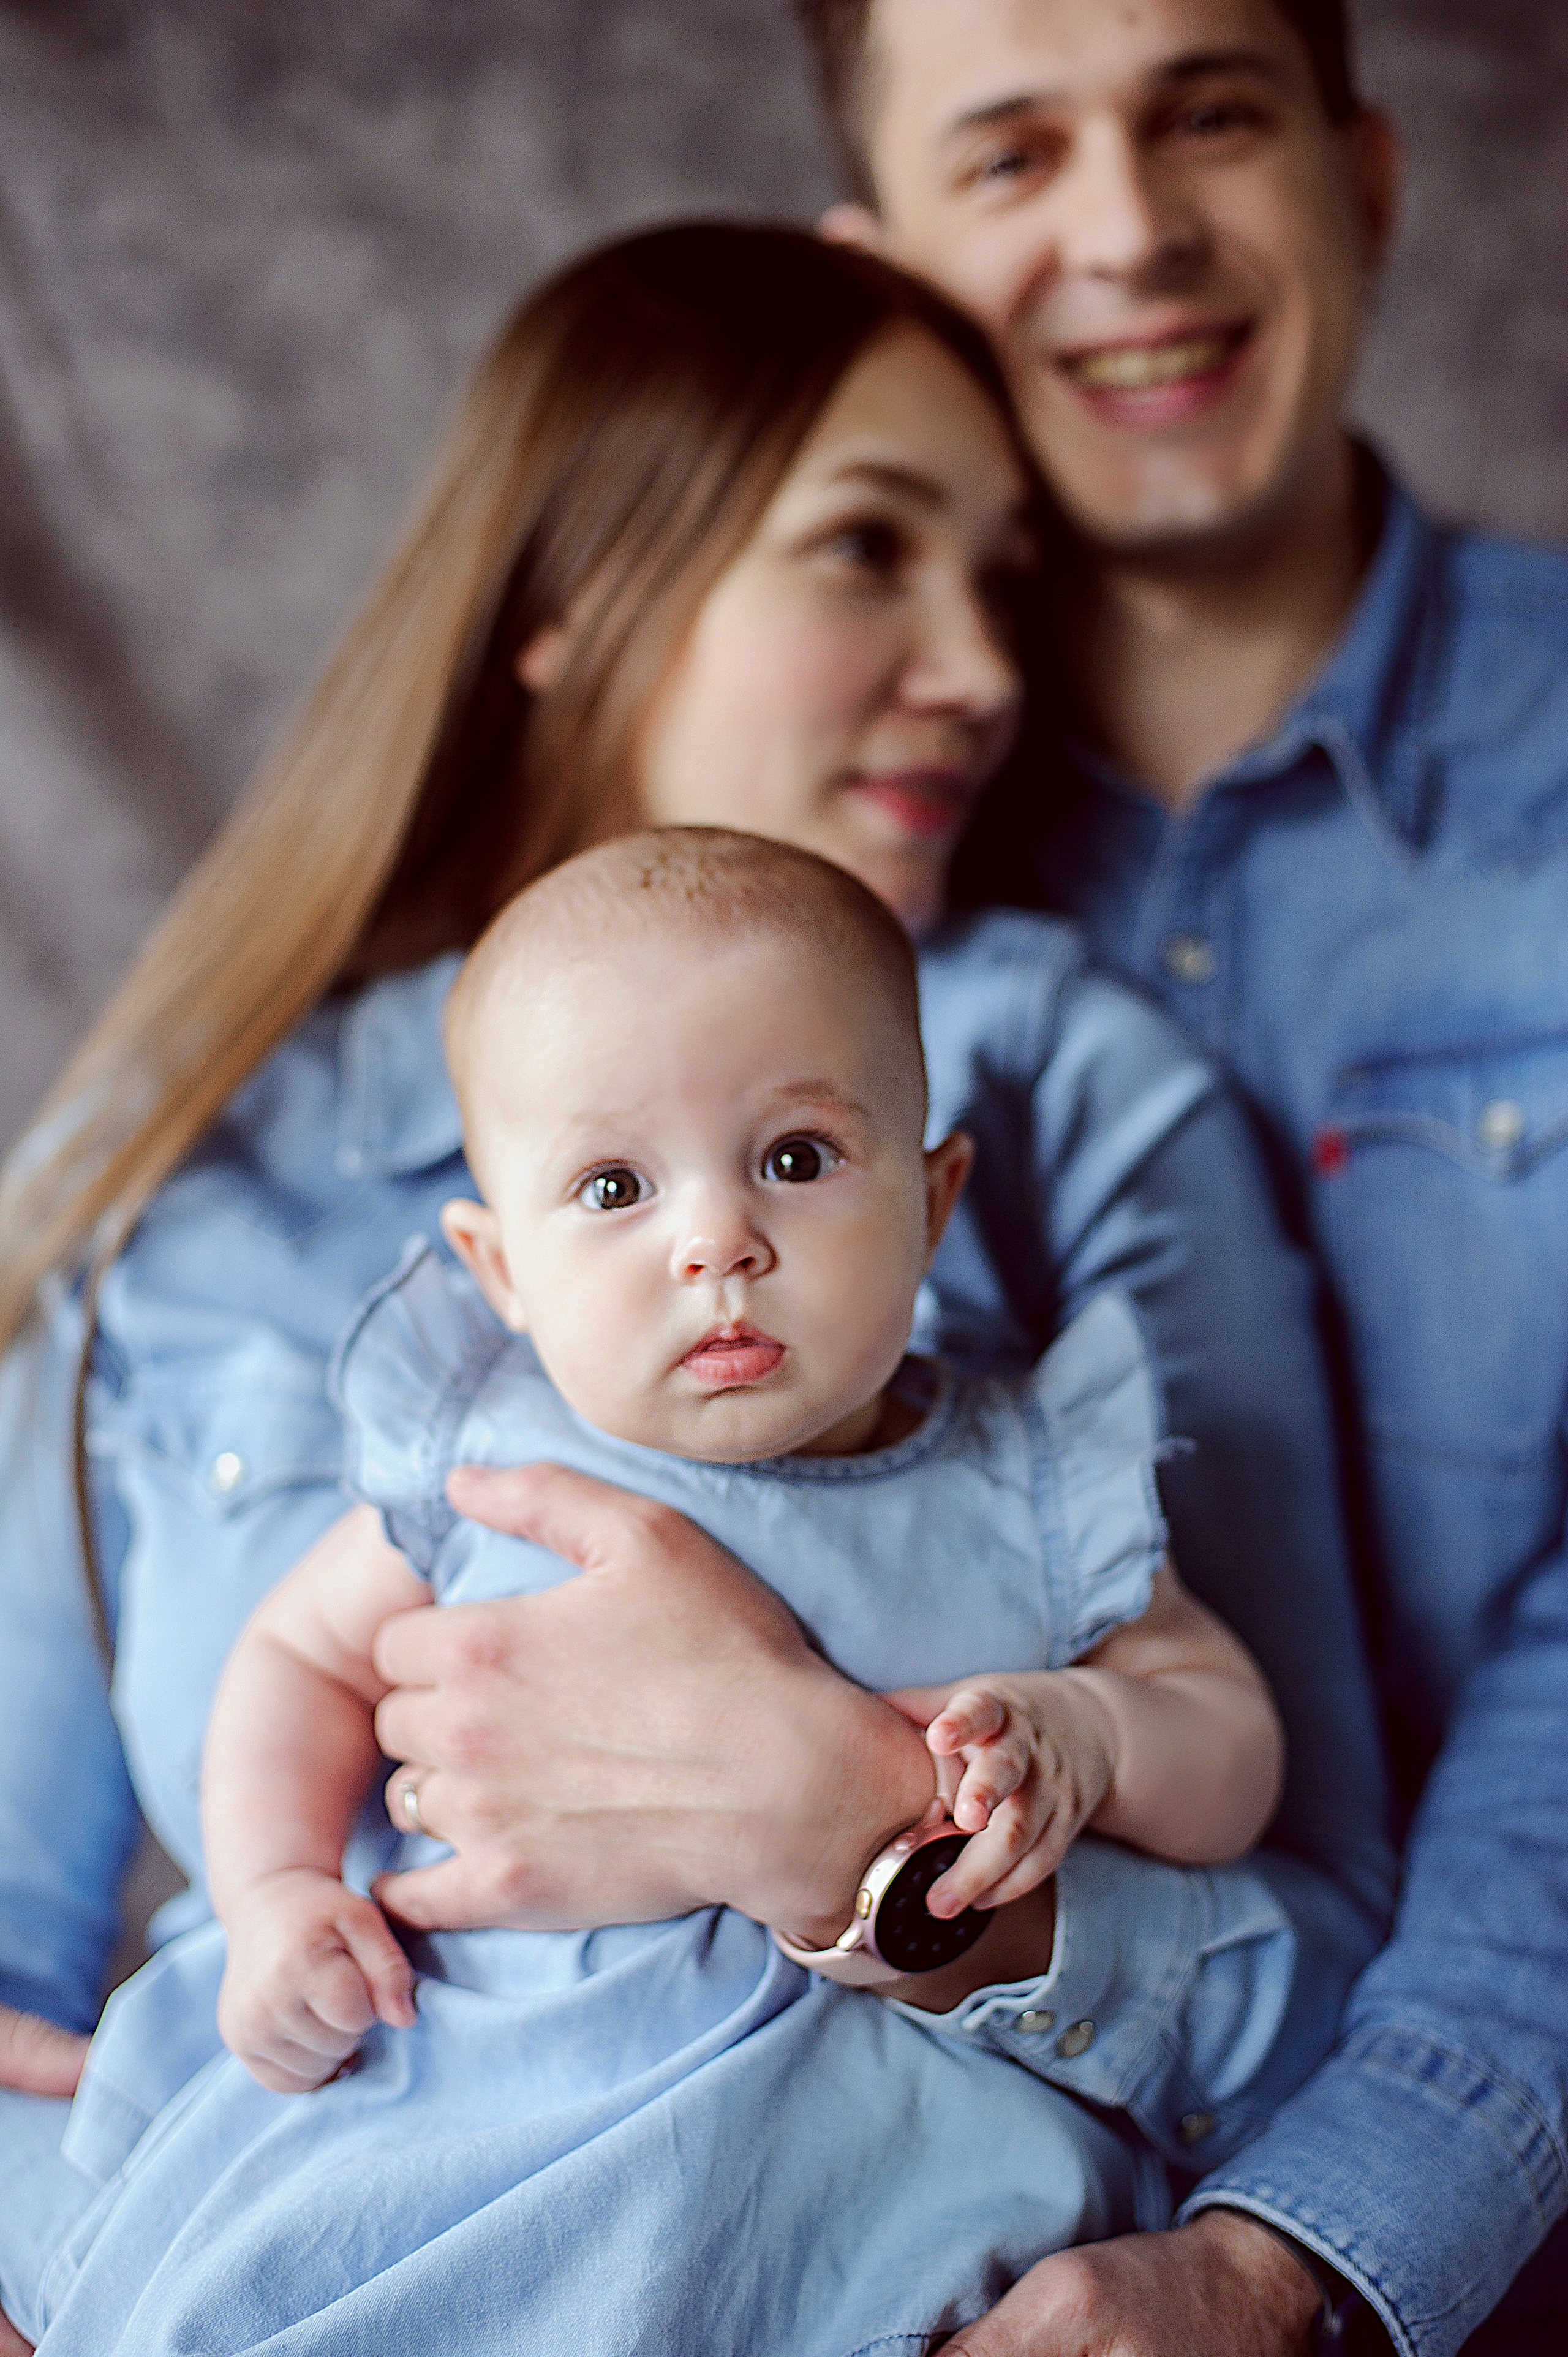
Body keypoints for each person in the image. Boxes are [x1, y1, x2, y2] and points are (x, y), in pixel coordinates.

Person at [0, 224, 1387, 2348]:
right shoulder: (207, 1208)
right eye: (866, 550)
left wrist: (876, 1803)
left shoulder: (1063, 1120)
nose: (987, 668)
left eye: (1002, 577)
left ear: (932, 1194)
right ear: (573, 606)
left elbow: (1309, 1919)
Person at [36, 829, 1286, 2353]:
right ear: (500, 1270)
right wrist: (278, 1887)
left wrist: (1089, 1734)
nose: (717, 1242)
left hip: (854, 2180)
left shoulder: (1032, 1483)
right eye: (615, 1184)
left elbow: (1227, 1742)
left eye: (797, 1158)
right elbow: (296, 1656)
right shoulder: (490, 1458)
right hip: (474, 2104)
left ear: (934, 1194)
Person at [778, 2, 1566, 2351]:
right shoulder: (798, 858)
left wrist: (1301, 2244)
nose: (1131, 234)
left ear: (1371, 177)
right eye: (1012, 155)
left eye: (1210, 112)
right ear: (889, 275)